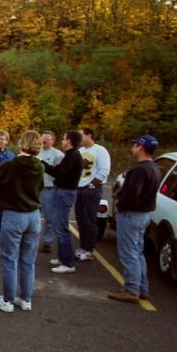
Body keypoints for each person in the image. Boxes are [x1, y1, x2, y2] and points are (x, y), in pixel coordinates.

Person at [0, 130, 45, 313]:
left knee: (9, 259)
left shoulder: (10, 165)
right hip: (34, 215)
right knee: (28, 260)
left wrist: (8, 193)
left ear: (22, 143)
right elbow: (41, 187)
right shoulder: (40, 166)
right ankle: (26, 298)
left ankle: (7, 300)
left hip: (14, 214)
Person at [108, 135, 161, 304]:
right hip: (143, 215)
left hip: (131, 215)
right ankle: (141, 288)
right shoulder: (154, 168)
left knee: (128, 252)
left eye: (134, 145)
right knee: (138, 252)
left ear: (140, 147)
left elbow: (132, 194)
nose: (132, 148)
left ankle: (132, 290)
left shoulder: (139, 170)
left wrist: (120, 205)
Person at [42, 130, 83, 274]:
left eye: (64, 138)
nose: (62, 140)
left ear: (70, 140)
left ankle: (68, 263)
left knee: (62, 229)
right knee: (59, 227)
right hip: (61, 192)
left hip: (65, 194)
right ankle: (62, 258)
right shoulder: (70, 156)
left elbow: (58, 172)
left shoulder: (72, 156)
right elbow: (57, 171)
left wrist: (41, 163)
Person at [75, 127, 111, 262]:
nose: (79, 139)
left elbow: (104, 170)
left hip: (91, 190)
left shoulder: (100, 150)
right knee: (80, 219)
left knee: (89, 220)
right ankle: (83, 247)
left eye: (81, 136)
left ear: (89, 135)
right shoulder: (80, 151)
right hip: (79, 189)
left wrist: (92, 185)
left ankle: (89, 250)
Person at [38, 131, 64, 253]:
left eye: (47, 139)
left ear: (53, 141)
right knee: (33, 216)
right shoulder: (35, 152)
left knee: (49, 217)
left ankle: (47, 242)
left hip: (49, 189)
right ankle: (31, 240)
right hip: (34, 189)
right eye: (43, 138)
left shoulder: (58, 155)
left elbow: (60, 173)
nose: (44, 140)